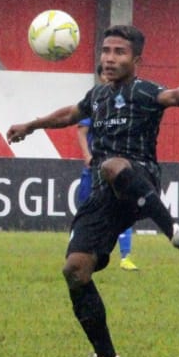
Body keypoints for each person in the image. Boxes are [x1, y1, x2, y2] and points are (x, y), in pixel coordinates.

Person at [7, 24, 179, 357]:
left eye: (119, 53)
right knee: (75, 270)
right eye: (105, 51)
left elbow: (169, 97)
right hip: (104, 193)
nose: (109, 59)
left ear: (136, 59)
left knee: (114, 166)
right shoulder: (97, 96)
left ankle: (174, 231)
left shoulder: (144, 91)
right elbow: (71, 114)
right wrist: (32, 124)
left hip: (138, 177)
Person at [76, 64, 135, 271]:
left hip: (118, 167)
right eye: (104, 74)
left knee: (123, 208)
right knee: (85, 210)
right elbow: (82, 130)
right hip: (95, 167)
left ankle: (125, 256)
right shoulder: (95, 100)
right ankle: (77, 251)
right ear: (100, 77)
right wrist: (87, 155)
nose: (108, 78)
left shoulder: (126, 101)